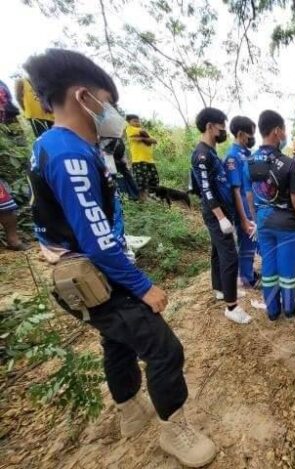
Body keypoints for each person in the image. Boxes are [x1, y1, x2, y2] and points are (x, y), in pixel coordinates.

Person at [23, 48, 216, 467]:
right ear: (83, 97)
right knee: (164, 348)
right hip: (95, 274)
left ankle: (130, 411)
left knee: (117, 340)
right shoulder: (70, 154)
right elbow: (96, 239)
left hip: (80, 275)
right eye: (108, 101)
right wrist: (143, 286)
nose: (112, 113)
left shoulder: (51, 145)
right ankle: (175, 430)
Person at [248, 110, 295, 320]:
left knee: (268, 266)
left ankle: (272, 310)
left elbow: (249, 195)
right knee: (287, 268)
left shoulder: (250, 161)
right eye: (284, 130)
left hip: (263, 222)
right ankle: (288, 307)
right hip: (287, 225)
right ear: (277, 131)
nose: (285, 134)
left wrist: (256, 220)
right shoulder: (289, 163)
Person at [190, 107, 252, 324]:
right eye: (221, 127)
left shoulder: (211, 152)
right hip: (216, 214)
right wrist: (220, 217)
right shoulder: (201, 155)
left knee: (217, 252)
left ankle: (221, 289)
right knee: (230, 256)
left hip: (223, 211)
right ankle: (232, 307)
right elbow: (205, 190)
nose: (224, 131)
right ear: (210, 126)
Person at [224, 115, 259, 288]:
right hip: (243, 208)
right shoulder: (233, 157)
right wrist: (244, 218)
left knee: (252, 242)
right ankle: (246, 278)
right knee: (246, 243)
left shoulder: (247, 154)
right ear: (240, 134)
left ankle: (249, 272)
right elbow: (235, 190)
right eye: (250, 134)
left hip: (252, 206)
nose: (252, 138)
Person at [125, 114, 158, 201]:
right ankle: (141, 200)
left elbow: (155, 141)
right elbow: (139, 138)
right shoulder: (130, 129)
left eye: (138, 121)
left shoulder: (141, 130)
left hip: (150, 160)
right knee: (141, 182)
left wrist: (144, 137)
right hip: (139, 160)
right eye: (134, 121)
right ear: (128, 122)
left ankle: (150, 197)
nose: (137, 123)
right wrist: (147, 138)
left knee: (154, 180)